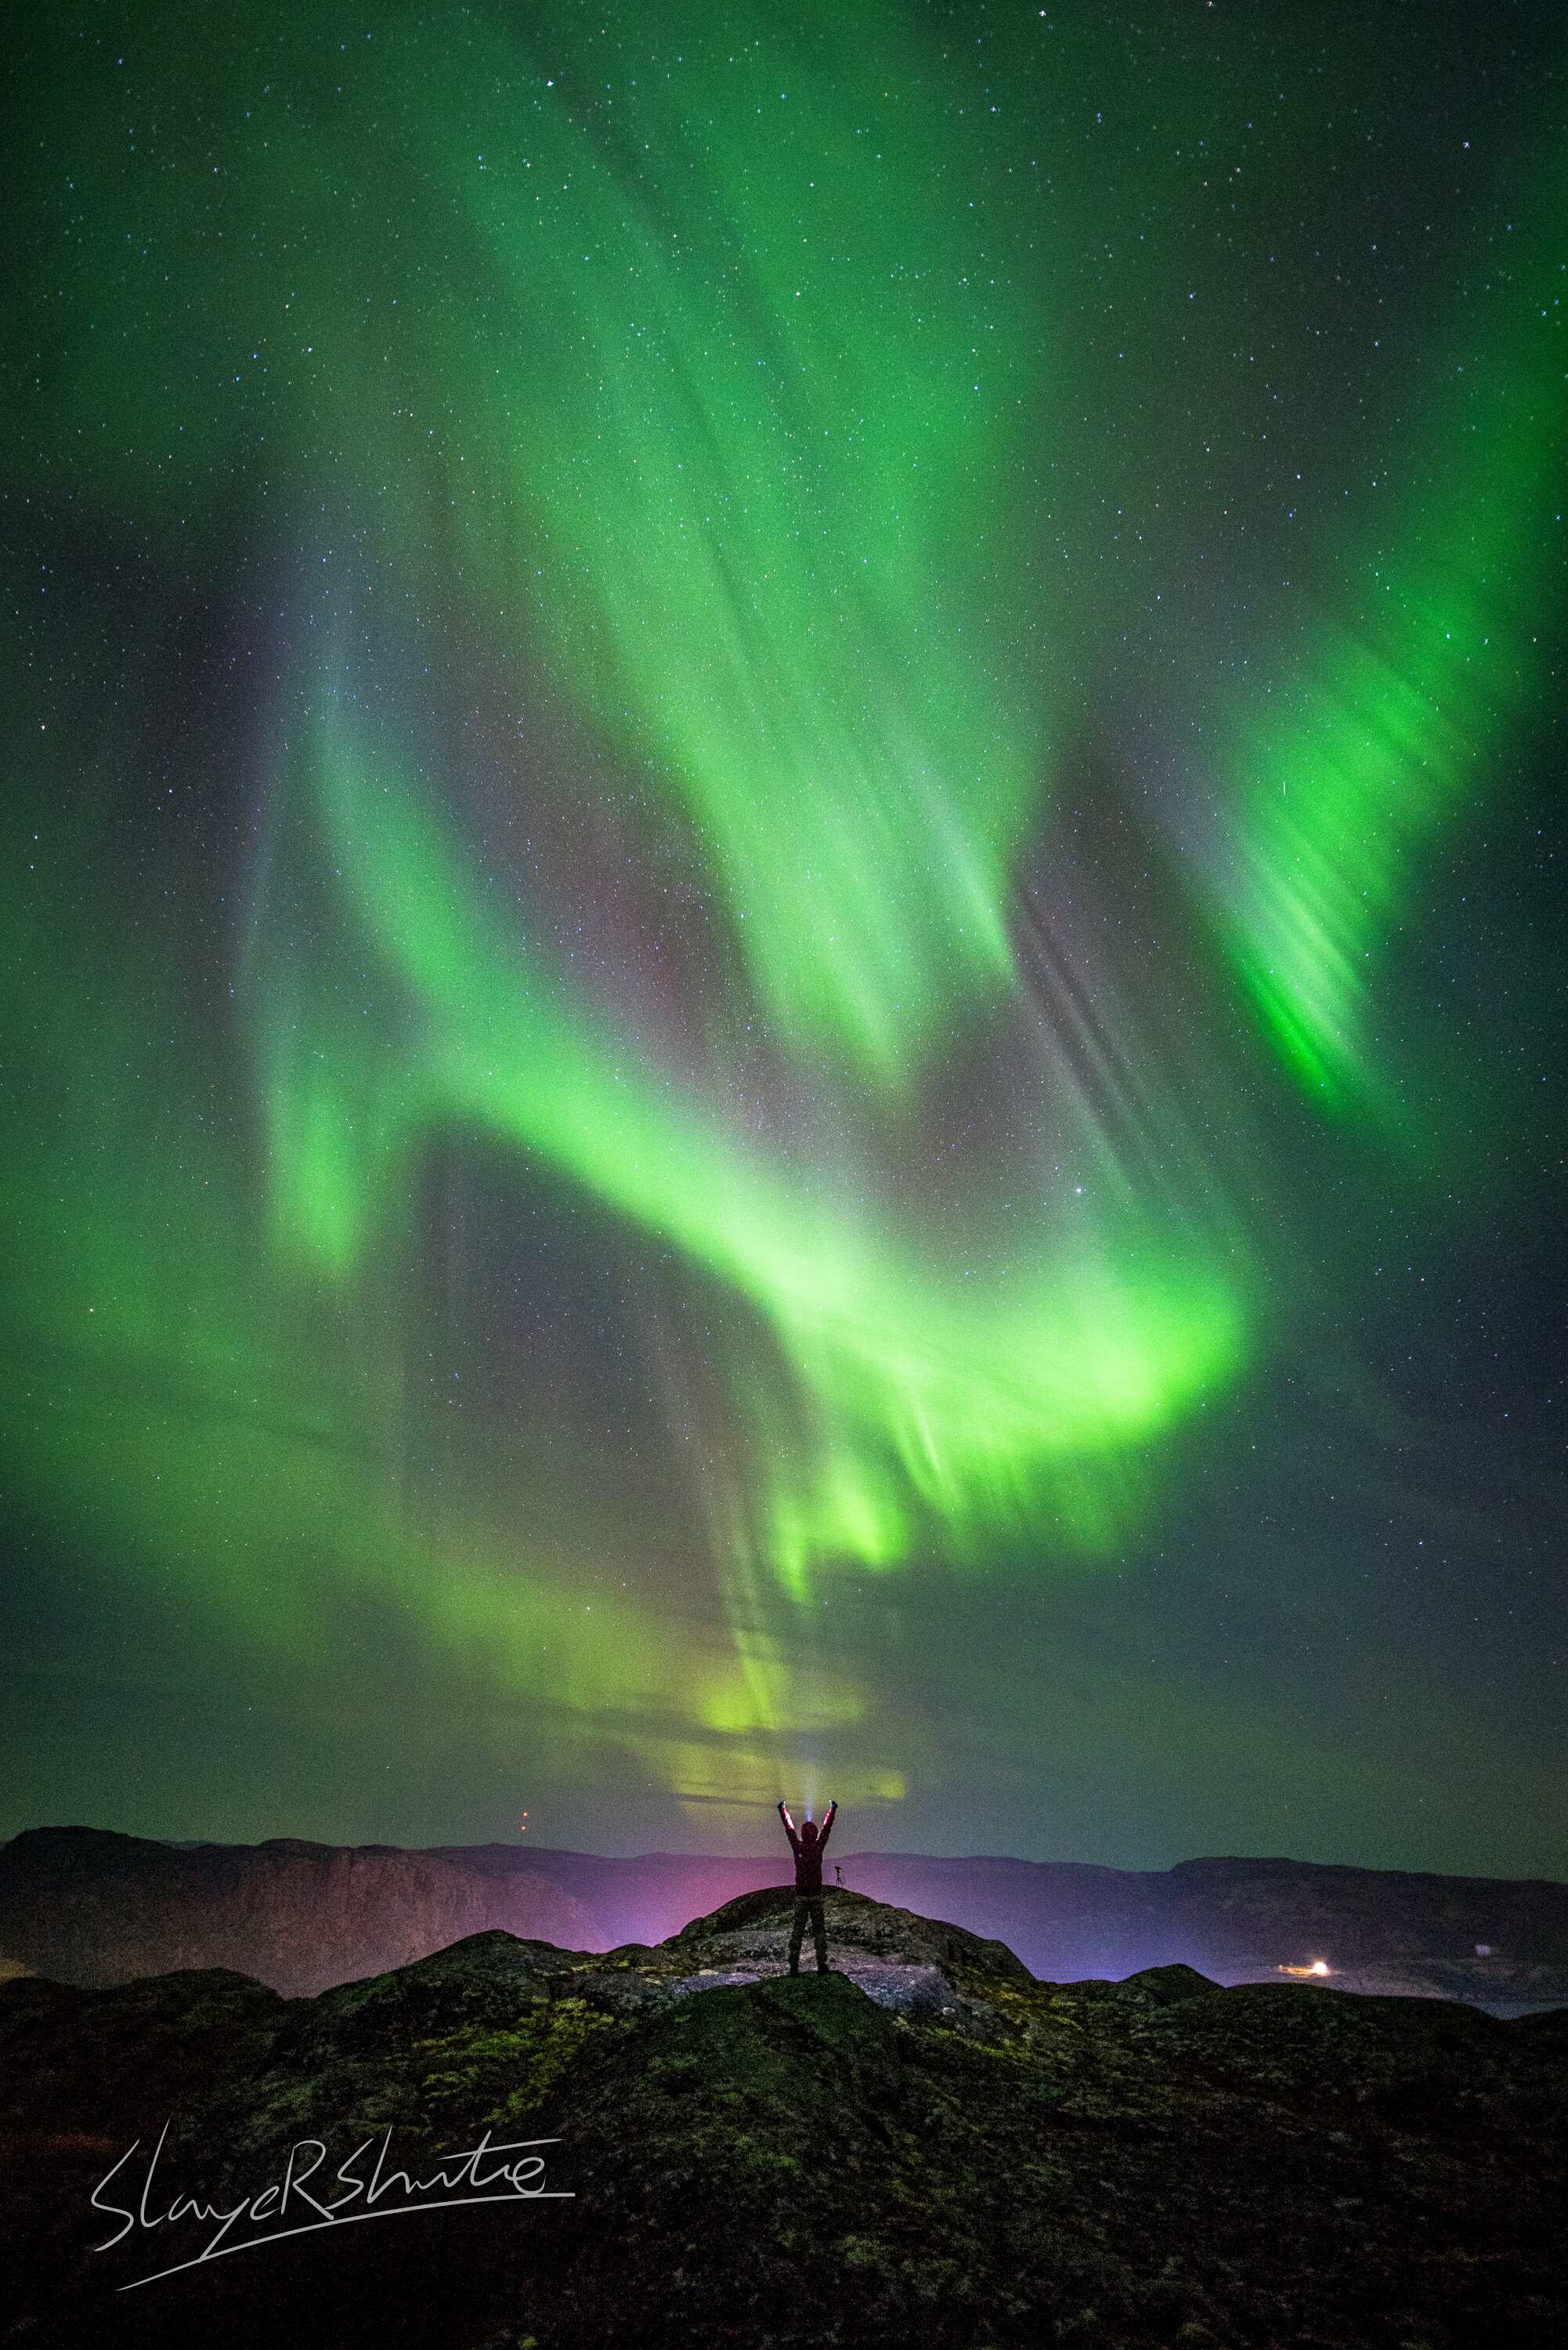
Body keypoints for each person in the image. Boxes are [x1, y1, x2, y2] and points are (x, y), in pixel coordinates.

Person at [779, 1798, 836, 1975]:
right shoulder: (818, 1847)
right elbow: (827, 1828)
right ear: (815, 1833)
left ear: (803, 1833)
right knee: (819, 1932)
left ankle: (794, 1966)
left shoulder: (798, 1847)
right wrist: (832, 1810)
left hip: (802, 1896)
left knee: (798, 1931)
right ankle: (821, 1965)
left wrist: (783, 1811)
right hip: (816, 1896)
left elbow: (789, 1829)